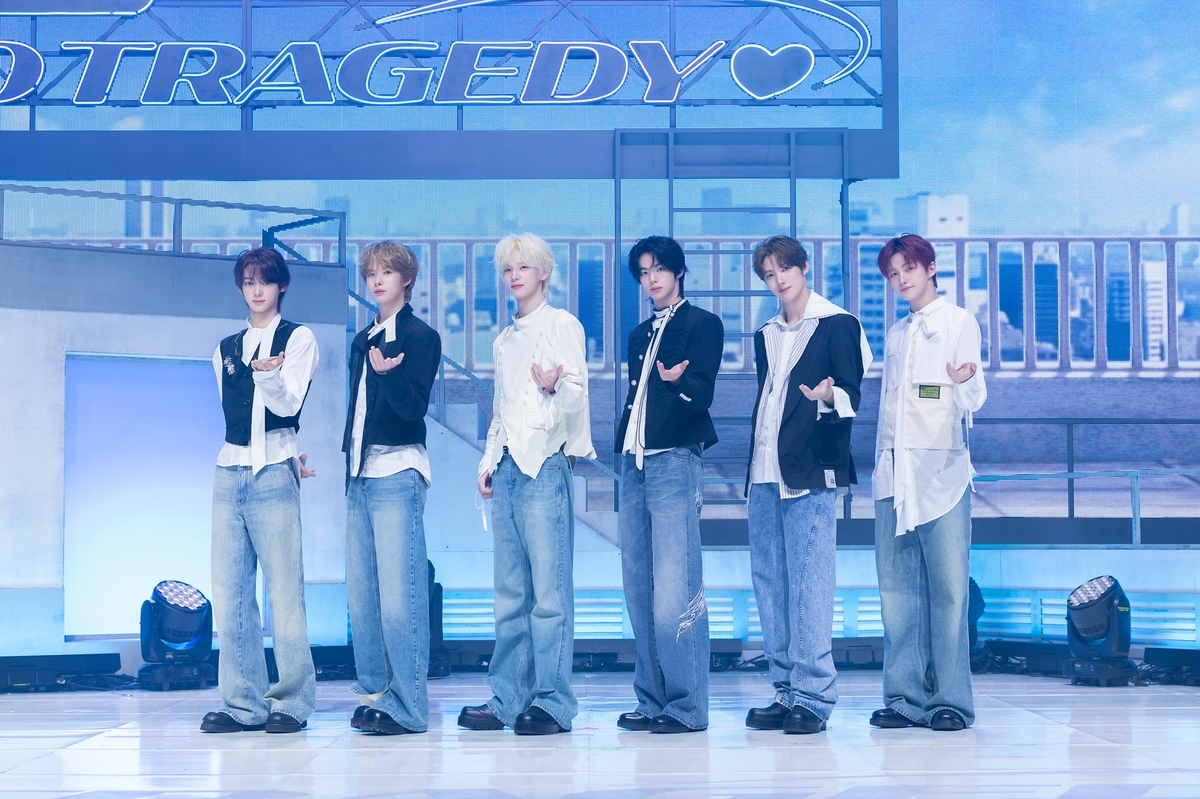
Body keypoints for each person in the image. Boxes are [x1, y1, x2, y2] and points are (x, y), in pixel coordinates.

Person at [458, 233, 595, 736]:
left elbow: (578, 395)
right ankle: (508, 699)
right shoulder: (503, 340)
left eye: (523, 266)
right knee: (509, 594)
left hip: (546, 466)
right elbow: (501, 409)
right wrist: (488, 461)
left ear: (544, 272)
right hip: (509, 469)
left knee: (549, 596)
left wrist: (554, 385)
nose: (514, 276)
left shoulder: (563, 324)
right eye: (507, 269)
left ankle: (554, 703)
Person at [743, 235, 871, 735]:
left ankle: (814, 696)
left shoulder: (838, 323)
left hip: (810, 470)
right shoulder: (766, 333)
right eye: (769, 274)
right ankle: (785, 690)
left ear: (803, 267)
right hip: (763, 471)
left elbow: (852, 393)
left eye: (784, 269)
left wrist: (828, 395)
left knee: (809, 583)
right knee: (770, 583)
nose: (778, 281)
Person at [870, 234, 986, 732]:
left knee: (949, 591)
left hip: (942, 473)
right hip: (893, 473)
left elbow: (974, 399)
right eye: (892, 274)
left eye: (908, 269)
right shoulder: (897, 332)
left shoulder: (959, 321)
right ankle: (904, 698)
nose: (901, 279)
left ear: (931, 267)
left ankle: (951, 701)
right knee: (897, 592)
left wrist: (964, 380)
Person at [201, 247, 319, 734]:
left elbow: (288, 406)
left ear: (281, 285)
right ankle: (242, 704)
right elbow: (234, 414)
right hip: (229, 471)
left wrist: (268, 375)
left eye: (264, 281)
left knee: (284, 594)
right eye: (248, 281)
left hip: (273, 470)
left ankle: (292, 701)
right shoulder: (225, 348)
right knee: (230, 594)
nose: (256, 290)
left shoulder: (299, 338)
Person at [613, 235, 723, 734]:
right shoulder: (639, 334)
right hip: (634, 461)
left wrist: (678, 381)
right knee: (639, 586)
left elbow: (702, 395)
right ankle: (652, 698)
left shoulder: (703, 324)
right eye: (643, 272)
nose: (651, 279)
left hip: (675, 458)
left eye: (658, 268)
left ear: (678, 270)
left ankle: (687, 705)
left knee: (674, 588)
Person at [343, 242, 442, 735]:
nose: (377, 280)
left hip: (399, 469)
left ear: (407, 279)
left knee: (400, 596)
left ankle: (409, 704)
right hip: (359, 472)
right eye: (371, 273)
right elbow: (357, 411)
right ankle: (377, 695)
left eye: (387, 272)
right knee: (362, 595)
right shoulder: (363, 339)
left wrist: (390, 374)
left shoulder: (421, 337)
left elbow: (412, 409)